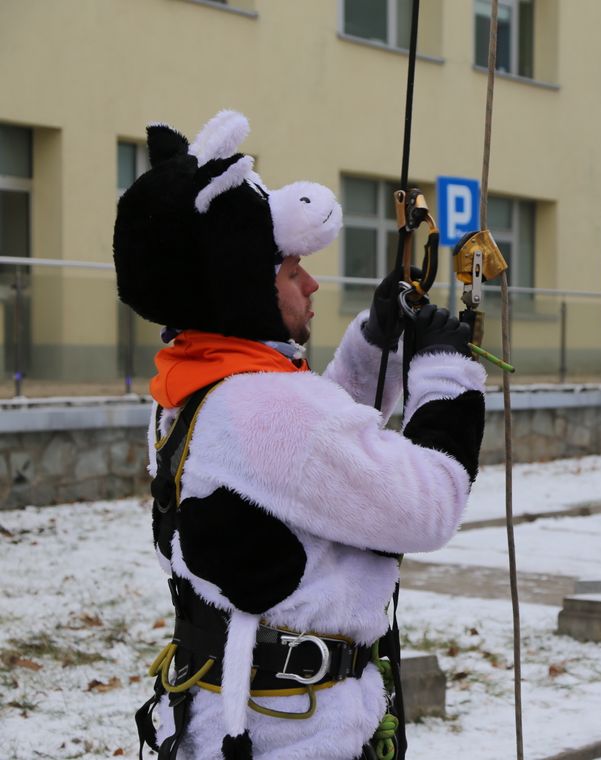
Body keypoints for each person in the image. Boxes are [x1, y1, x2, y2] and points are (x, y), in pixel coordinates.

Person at [115, 110, 486, 760]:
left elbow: (304, 463)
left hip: (222, 720)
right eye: (291, 270)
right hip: (300, 739)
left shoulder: (194, 382)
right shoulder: (267, 407)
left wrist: (375, 341)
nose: (312, 282)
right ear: (244, 286)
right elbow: (426, 505)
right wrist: (447, 372)